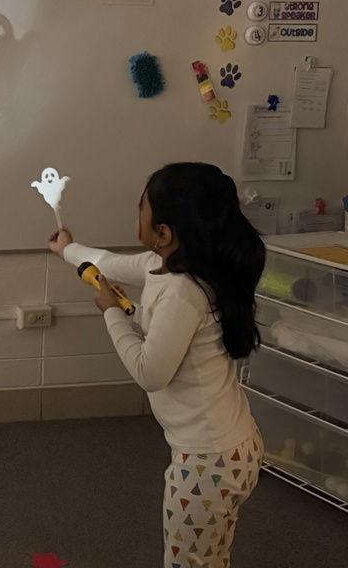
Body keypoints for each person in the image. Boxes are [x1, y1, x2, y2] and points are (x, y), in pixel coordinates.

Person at [49, 162, 265, 568]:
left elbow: (150, 372)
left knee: (187, 561)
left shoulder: (183, 292)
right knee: (209, 556)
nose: (137, 218)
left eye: (140, 210)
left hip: (207, 462)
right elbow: (108, 263)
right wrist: (68, 250)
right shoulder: (170, 266)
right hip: (230, 446)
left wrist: (111, 312)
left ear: (163, 233)